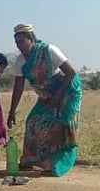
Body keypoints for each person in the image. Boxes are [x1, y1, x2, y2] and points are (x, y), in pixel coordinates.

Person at [7, 24, 83, 177]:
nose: (19, 46)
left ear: (31, 39)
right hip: (46, 94)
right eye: (17, 43)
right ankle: (33, 160)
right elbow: (18, 87)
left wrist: (56, 98)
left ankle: (56, 165)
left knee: (61, 127)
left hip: (67, 90)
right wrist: (12, 111)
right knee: (33, 122)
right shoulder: (20, 62)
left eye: (22, 42)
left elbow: (71, 73)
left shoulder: (49, 50)